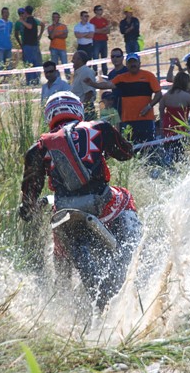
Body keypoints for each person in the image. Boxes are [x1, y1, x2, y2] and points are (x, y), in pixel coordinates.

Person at [19, 91, 141, 309]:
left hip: (63, 209)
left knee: (59, 249)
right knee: (126, 197)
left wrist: (28, 210)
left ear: (49, 116)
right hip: (102, 202)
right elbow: (126, 153)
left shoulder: (38, 148)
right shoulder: (98, 128)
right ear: (77, 110)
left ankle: (63, 301)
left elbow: (28, 201)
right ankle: (133, 249)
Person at [85, 53, 162, 144]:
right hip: (128, 120)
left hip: (146, 119)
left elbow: (158, 93)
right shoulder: (122, 78)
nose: (133, 64)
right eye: (130, 62)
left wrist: (149, 106)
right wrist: (93, 84)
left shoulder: (149, 76)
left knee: (149, 147)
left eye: (135, 62)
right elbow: (107, 84)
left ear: (139, 63)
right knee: (130, 148)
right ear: (127, 65)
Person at [158, 72, 190, 161]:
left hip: (167, 126)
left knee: (168, 151)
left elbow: (161, 109)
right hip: (180, 127)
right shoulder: (187, 96)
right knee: (179, 152)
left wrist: (161, 124)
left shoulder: (167, 95)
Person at [17, 6, 45, 85]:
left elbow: (29, 26)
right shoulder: (32, 20)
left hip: (30, 46)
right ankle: (33, 81)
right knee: (34, 63)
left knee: (30, 63)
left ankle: (32, 81)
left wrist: (22, 21)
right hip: (32, 45)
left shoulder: (30, 20)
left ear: (26, 12)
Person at [70, 50, 96, 120]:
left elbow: (89, 94)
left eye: (74, 58)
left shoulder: (85, 72)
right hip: (78, 109)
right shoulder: (79, 72)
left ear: (79, 60)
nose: (72, 61)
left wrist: (82, 109)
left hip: (85, 110)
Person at [107, 47, 128, 119]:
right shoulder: (111, 74)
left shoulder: (127, 71)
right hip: (115, 104)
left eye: (118, 56)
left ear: (122, 58)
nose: (115, 58)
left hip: (127, 103)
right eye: (113, 56)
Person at [47, 12, 69, 78]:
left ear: (59, 18)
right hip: (53, 48)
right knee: (54, 65)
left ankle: (68, 77)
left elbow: (65, 36)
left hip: (62, 48)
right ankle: (56, 79)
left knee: (65, 64)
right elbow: (51, 37)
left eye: (56, 17)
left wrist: (56, 35)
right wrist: (55, 27)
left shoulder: (64, 26)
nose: (55, 18)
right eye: (53, 17)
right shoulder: (50, 27)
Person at [90, 5, 110, 75]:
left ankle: (105, 74)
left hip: (104, 41)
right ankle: (95, 73)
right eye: (99, 9)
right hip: (96, 41)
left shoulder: (105, 20)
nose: (101, 11)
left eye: (101, 9)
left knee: (104, 58)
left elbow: (108, 31)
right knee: (95, 58)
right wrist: (104, 29)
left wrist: (100, 30)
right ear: (95, 11)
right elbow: (95, 31)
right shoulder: (92, 21)